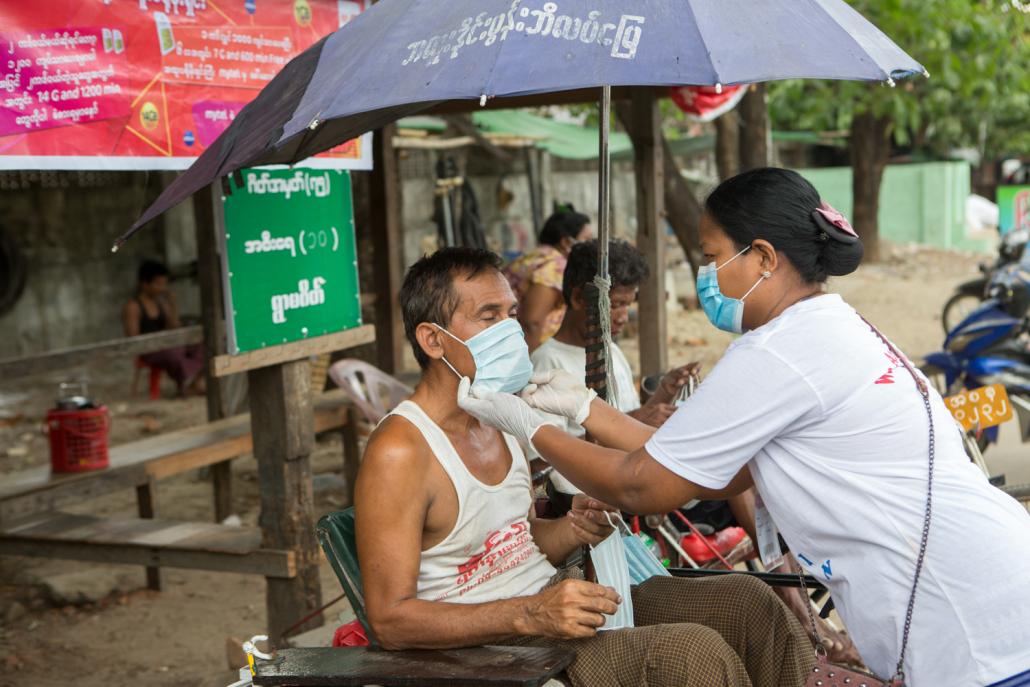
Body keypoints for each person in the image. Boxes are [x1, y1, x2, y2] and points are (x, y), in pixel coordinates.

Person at [461, 168, 1030, 687]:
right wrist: (587, 410)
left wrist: (532, 427)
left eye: (712, 258)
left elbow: (642, 484)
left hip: (970, 622)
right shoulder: (826, 326)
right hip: (988, 586)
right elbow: (711, 469)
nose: (707, 277)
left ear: (761, 256)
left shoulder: (777, 351)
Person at [354, 247, 812, 687]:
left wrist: (573, 530)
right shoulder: (401, 450)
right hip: (489, 645)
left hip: (555, 599)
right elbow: (391, 620)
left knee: (747, 600)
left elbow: (513, 543)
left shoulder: (503, 417)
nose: (511, 331)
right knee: (691, 653)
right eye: (488, 316)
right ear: (433, 339)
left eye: (511, 314)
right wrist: (530, 612)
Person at [538, 238, 860, 663]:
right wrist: (638, 419)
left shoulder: (610, 353)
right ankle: (798, 605)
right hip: (610, 488)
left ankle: (795, 598)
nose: (620, 317)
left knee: (749, 483)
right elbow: (554, 458)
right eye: (614, 305)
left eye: (626, 306)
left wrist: (659, 400)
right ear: (580, 297)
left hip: (639, 469)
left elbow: (615, 420)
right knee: (733, 479)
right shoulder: (549, 366)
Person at [504, 208, 593, 352]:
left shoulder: (534, 257)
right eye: (587, 240)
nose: (592, 246)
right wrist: (528, 365)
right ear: (566, 242)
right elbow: (531, 322)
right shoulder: (554, 265)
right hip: (526, 350)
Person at [122, 260, 204, 396]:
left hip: (168, 345)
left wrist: (173, 306)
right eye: (158, 284)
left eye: (164, 284)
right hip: (148, 350)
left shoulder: (161, 302)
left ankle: (193, 383)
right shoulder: (133, 306)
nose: (163, 288)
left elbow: (174, 327)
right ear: (144, 284)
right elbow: (133, 339)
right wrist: (158, 342)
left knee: (203, 345)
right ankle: (185, 384)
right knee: (174, 353)